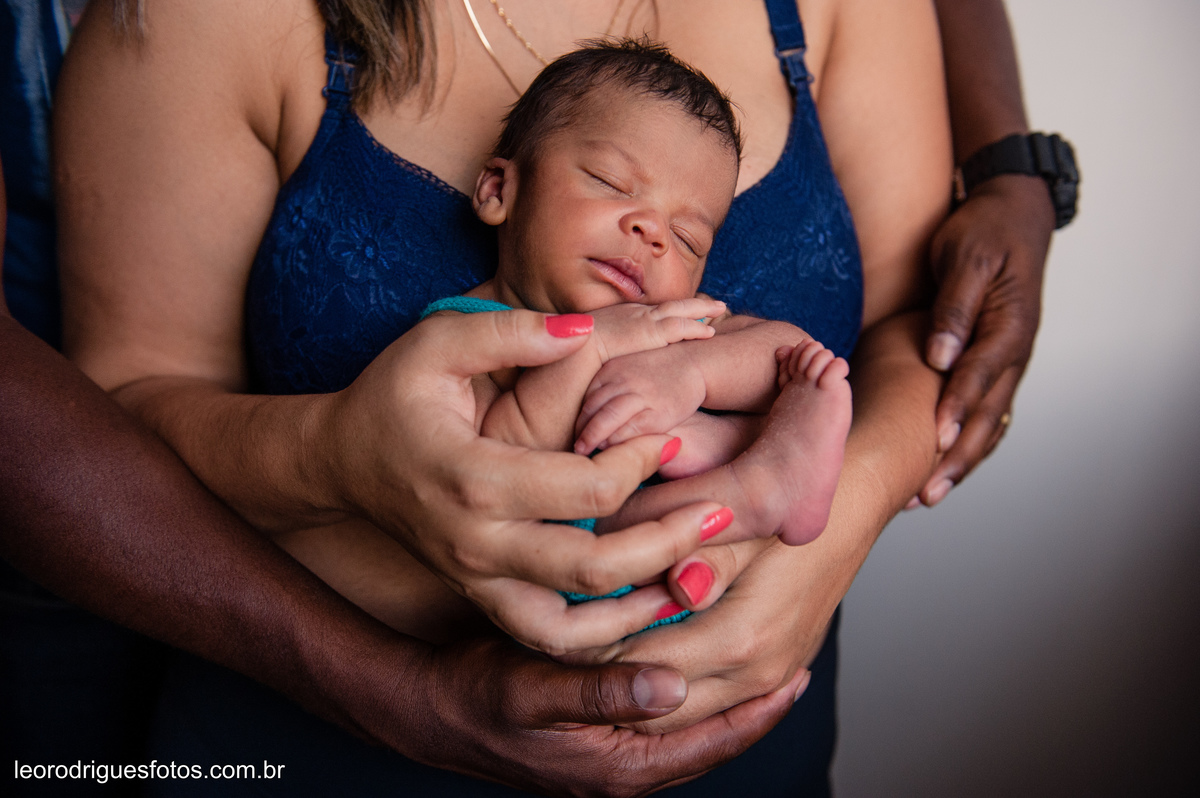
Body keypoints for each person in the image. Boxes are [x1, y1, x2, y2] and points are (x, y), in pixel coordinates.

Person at [28, 1, 1058, 795]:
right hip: (311, 736)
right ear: (498, 188)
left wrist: (828, 523)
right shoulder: (210, 24)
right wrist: (335, 452)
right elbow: (121, 398)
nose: (652, 237)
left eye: (691, 237)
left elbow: (907, 330)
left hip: (738, 737)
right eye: (610, 185)